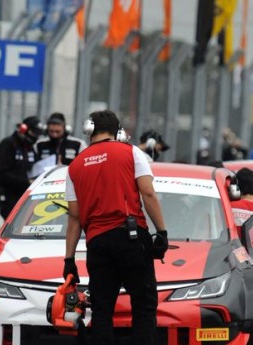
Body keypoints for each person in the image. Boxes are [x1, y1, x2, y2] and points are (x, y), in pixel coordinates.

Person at [63, 110, 168, 345]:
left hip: (97, 243)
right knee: (143, 305)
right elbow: (148, 193)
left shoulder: (75, 166)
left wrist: (69, 259)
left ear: (89, 130)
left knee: (101, 310)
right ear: (118, 131)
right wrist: (161, 232)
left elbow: (74, 218)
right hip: (130, 238)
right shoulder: (131, 153)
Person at [0, 116, 44, 218]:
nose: (36, 137)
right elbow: (2, 174)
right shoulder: (8, 144)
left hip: (26, 195)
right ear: (24, 129)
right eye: (34, 133)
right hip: (9, 195)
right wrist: (27, 182)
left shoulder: (31, 148)